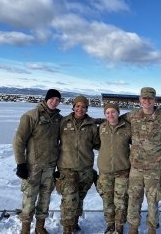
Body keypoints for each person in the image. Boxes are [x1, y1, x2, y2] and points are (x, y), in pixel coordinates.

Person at [122, 87, 161, 234]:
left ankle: (152, 228)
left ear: (155, 100)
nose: (147, 101)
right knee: (134, 199)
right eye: (144, 98)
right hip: (136, 168)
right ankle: (133, 228)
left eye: (150, 98)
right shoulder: (132, 116)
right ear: (140, 100)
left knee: (153, 201)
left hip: (155, 168)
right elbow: (113, 120)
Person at [13, 89, 62, 234]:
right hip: (33, 166)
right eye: (52, 99)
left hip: (50, 166)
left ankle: (40, 227)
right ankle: (25, 228)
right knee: (29, 198)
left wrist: (59, 165)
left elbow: (61, 143)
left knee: (45, 198)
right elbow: (18, 141)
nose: (54, 102)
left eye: (57, 100)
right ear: (46, 99)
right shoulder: (31, 116)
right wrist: (21, 163)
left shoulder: (58, 119)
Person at [55, 95, 100, 234]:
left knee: (79, 198)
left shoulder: (92, 125)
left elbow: (98, 144)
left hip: (85, 169)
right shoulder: (63, 122)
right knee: (69, 201)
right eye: (78, 106)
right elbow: (53, 141)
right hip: (67, 168)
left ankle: (74, 223)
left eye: (84, 106)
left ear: (87, 108)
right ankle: (66, 229)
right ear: (73, 107)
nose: (80, 109)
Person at [97, 103, 131, 234]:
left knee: (121, 201)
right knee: (107, 200)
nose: (110, 115)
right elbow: (96, 143)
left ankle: (120, 226)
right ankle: (110, 224)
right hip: (105, 171)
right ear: (105, 115)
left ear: (118, 112)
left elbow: (137, 145)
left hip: (122, 171)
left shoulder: (127, 128)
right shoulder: (101, 127)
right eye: (107, 113)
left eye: (113, 112)